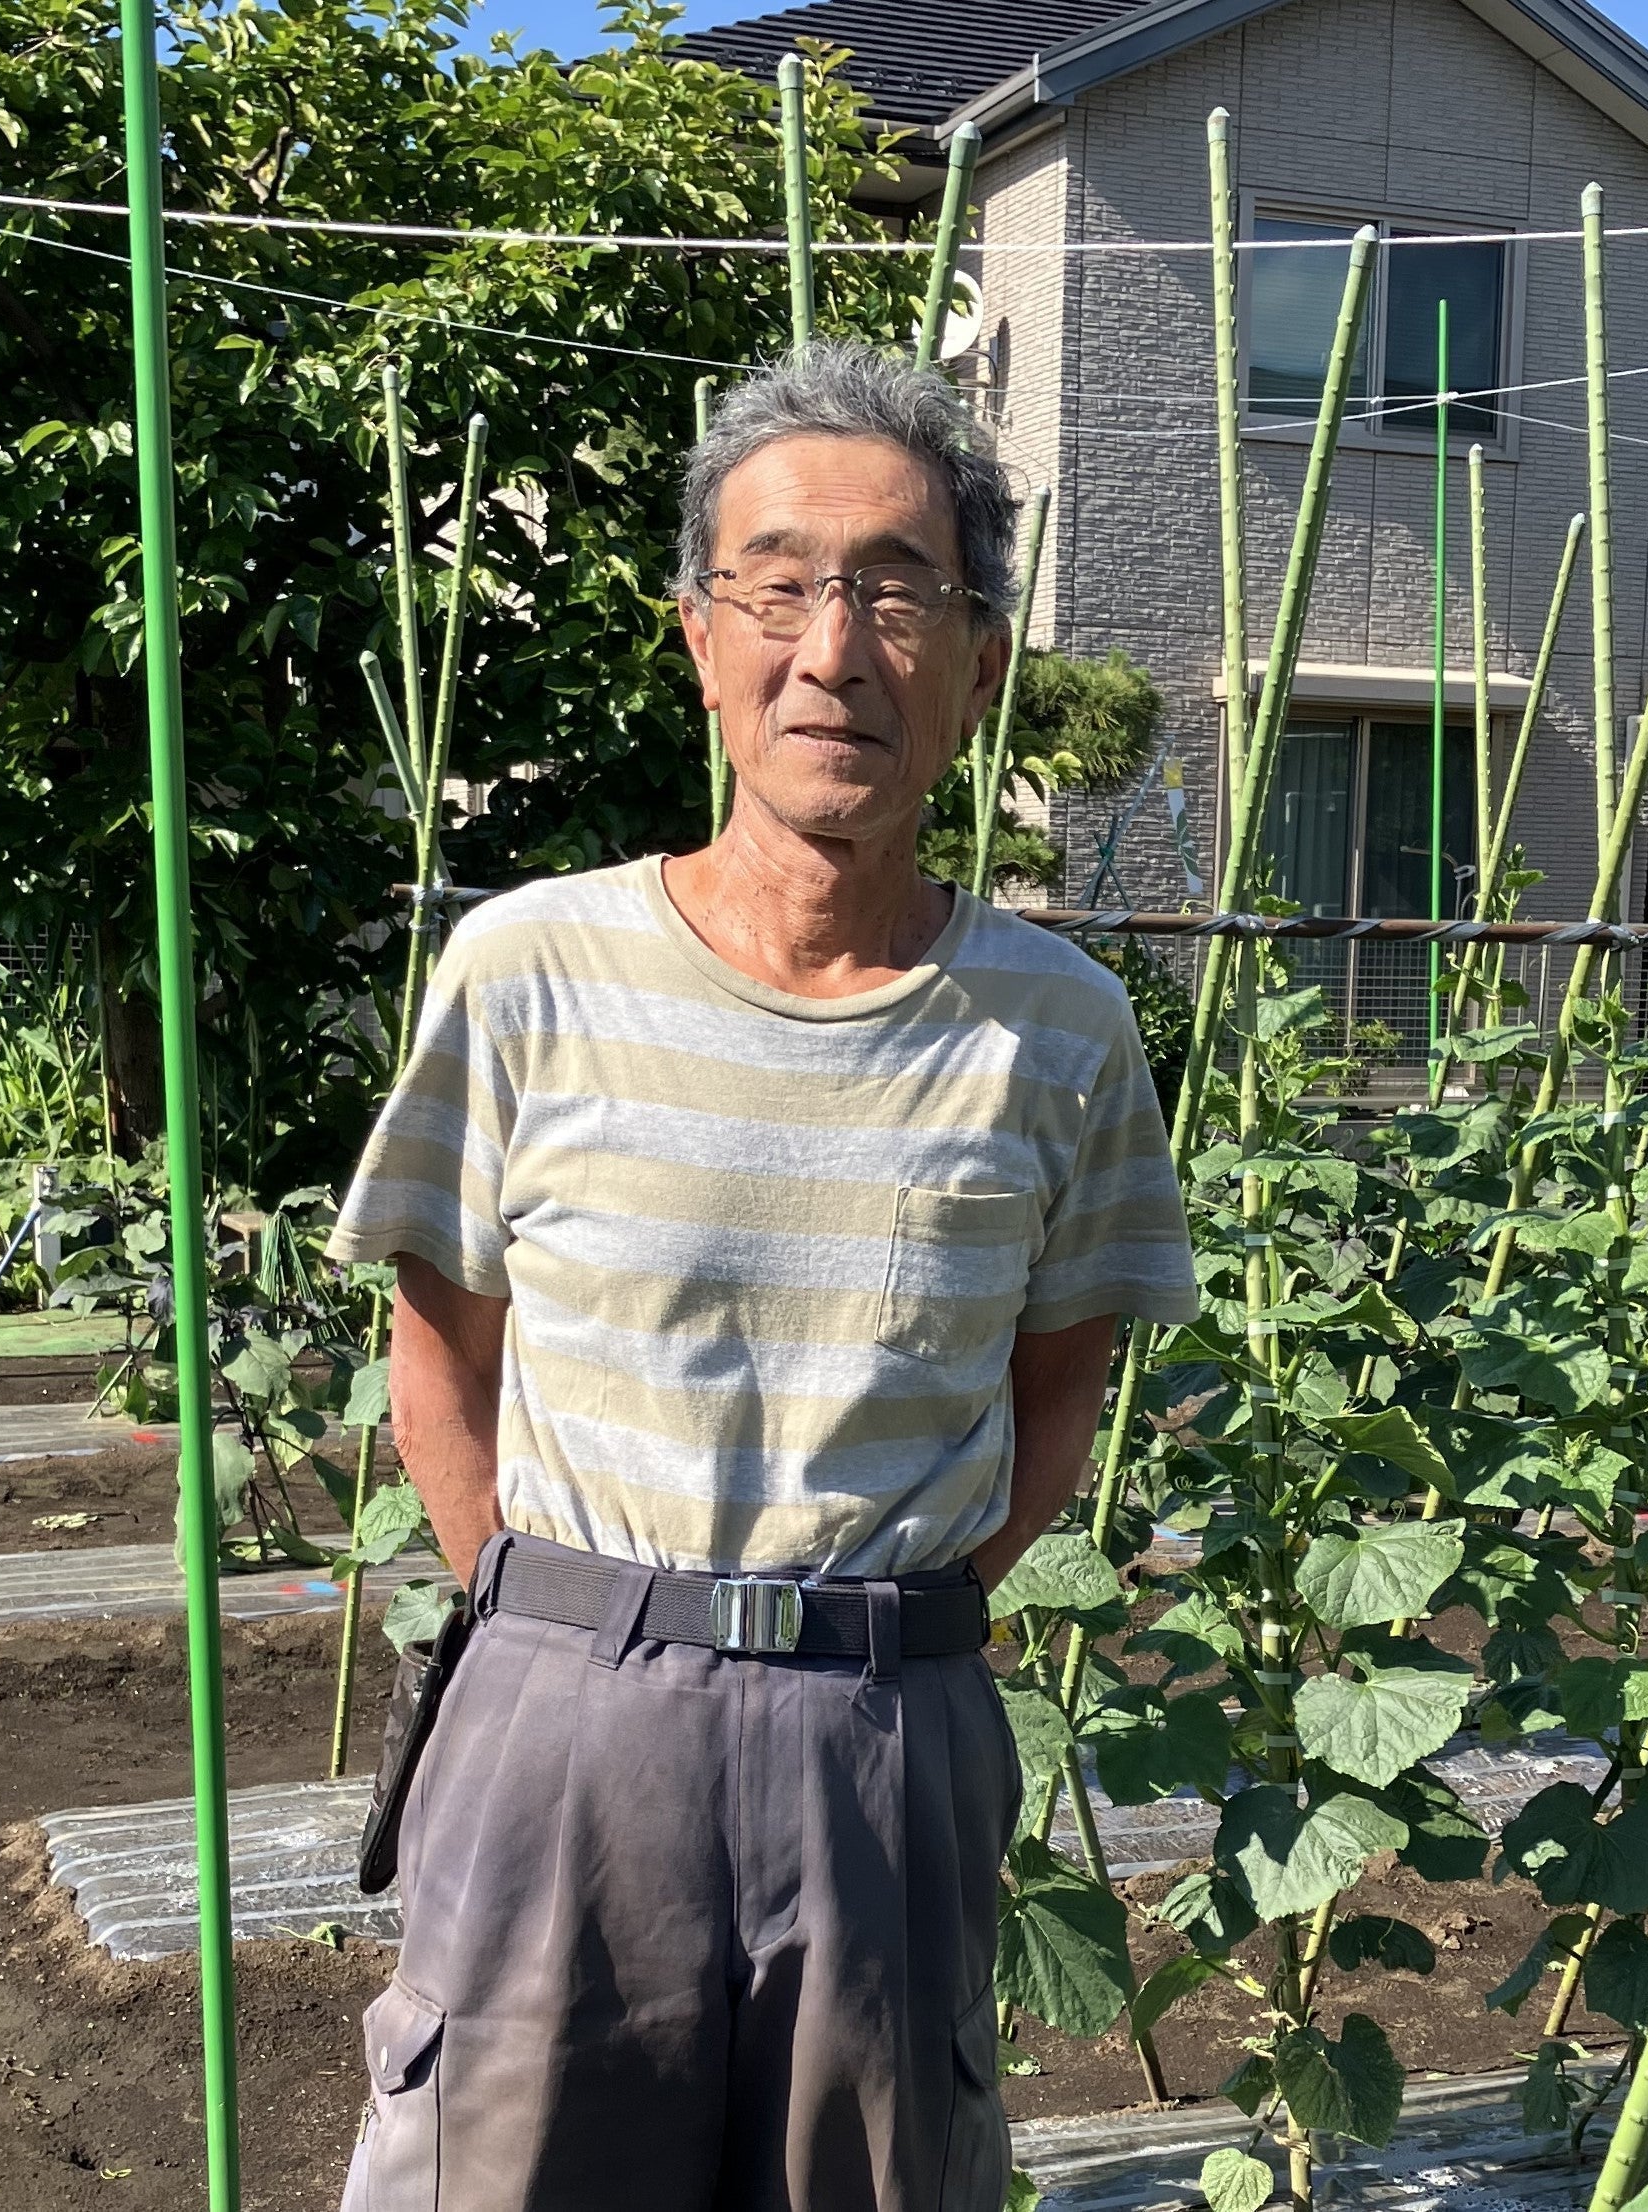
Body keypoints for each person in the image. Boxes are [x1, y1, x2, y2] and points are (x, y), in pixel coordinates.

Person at [323, 339, 1198, 2212]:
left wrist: (857, 1654)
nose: (838, 647)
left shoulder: (1060, 1027)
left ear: (977, 663)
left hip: (889, 1736)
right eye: (781, 583)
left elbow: (1058, 1400)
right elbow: (441, 1355)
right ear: (700, 638)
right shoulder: (528, 968)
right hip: (569, 1710)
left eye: (900, 590)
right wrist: (578, 1631)